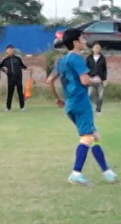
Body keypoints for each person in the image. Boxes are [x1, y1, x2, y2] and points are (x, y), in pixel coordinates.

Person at [49, 31, 116, 186]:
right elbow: (85, 80)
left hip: (70, 104)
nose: (85, 41)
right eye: (82, 39)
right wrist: (97, 80)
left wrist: (58, 98)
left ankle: (107, 172)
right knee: (87, 137)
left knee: (94, 136)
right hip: (80, 102)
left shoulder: (62, 60)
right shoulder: (77, 58)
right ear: (75, 42)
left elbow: (49, 80)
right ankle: (76, 173)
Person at [2, 46, 26, 110]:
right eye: (9, 51)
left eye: (11, 50)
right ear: (7, 51)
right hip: (10, 78)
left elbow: (22, 66)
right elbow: (1, 67)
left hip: (18, 78)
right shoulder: (5, 60)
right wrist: (4, 70)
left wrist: (27, 68)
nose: (10, 52)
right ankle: (8, 107)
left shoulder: (17, 59)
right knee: (10, 92)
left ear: (13, 51)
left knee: (20, 92)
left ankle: (22, 106)